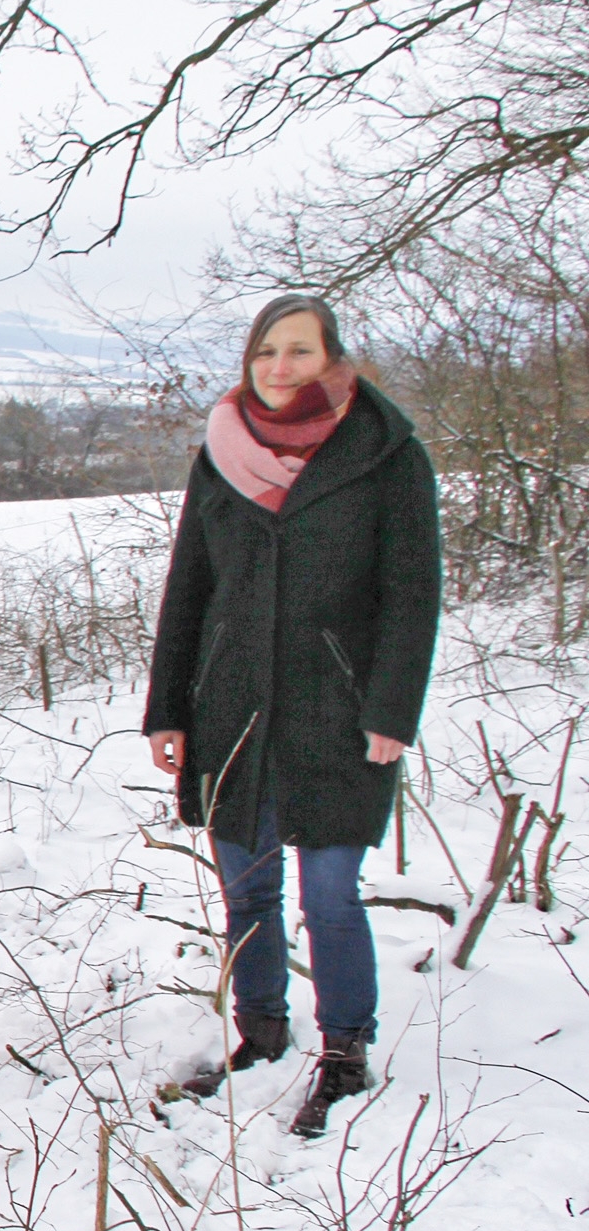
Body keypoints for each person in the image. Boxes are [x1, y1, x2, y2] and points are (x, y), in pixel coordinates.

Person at [145, 294, 441, 1137]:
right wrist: (169, 707)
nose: (279, 367)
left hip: (339, 708)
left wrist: (392, 708)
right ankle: (262, 1031)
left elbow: (413, 594)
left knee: (331, 894)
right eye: (267, 350)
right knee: (246, 888)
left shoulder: (386, 455)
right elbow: (190, 586)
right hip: (230, 701)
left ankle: (345, 1049)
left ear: (333, 360)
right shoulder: (223, 452)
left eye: (299, 352)